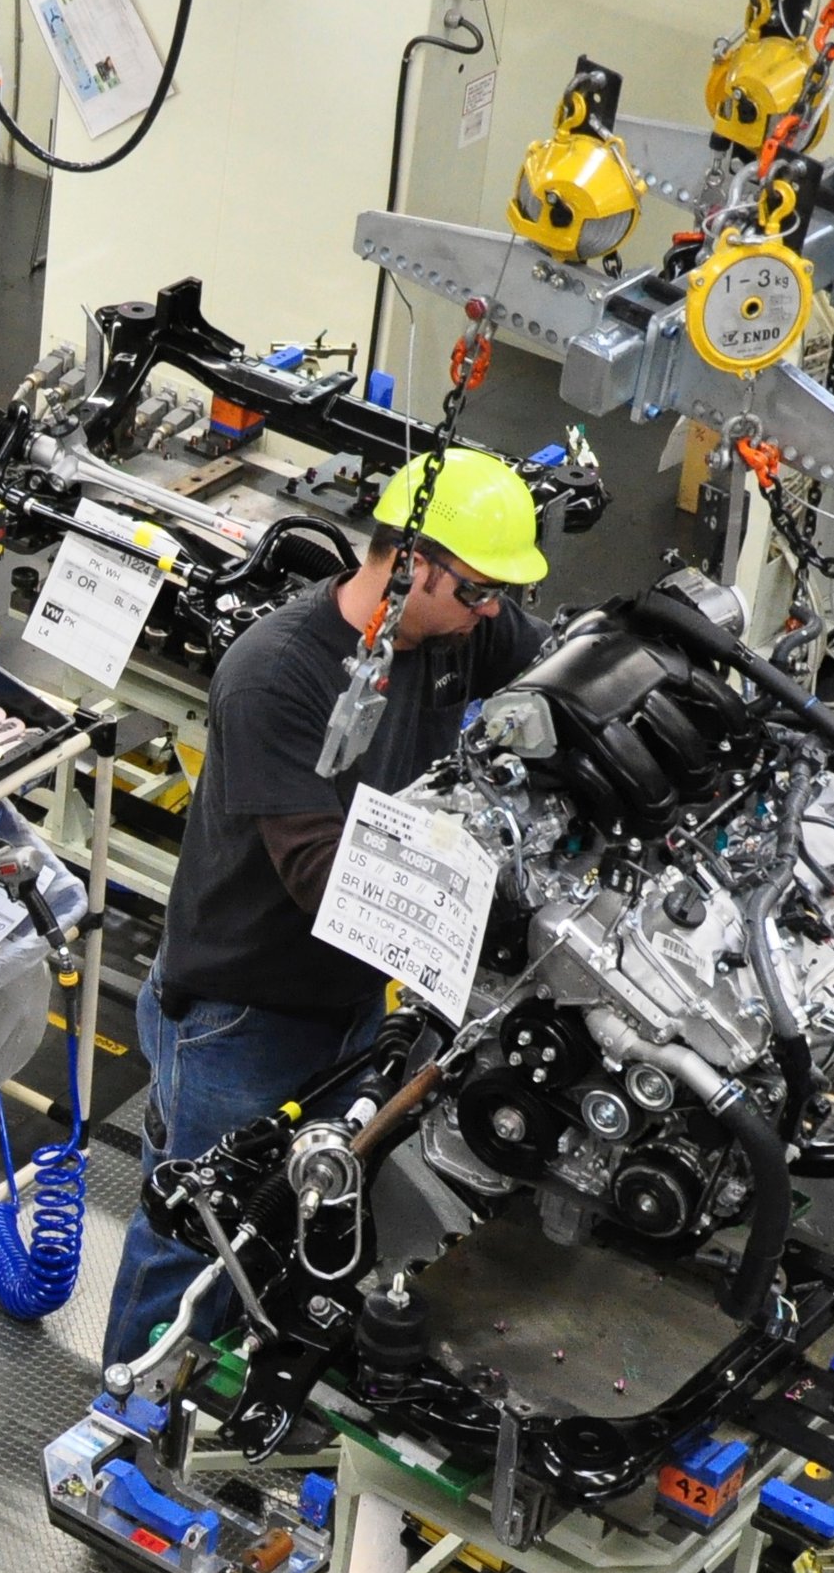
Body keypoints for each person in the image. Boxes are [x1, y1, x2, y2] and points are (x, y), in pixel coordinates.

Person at [98, 446, 554, 1370]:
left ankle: (218, 1397)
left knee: (304, 1221)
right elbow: (320, 872)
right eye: (476, 590)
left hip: (354, 1007)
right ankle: (124, 1420)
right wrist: (483, 928)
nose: (494, 611)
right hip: (239, 1016)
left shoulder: (460, 634)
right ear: (411, 562)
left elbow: (561, 674)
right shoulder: (279, 674)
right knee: (200, 1234)